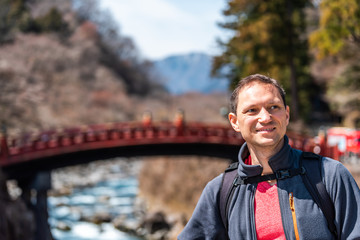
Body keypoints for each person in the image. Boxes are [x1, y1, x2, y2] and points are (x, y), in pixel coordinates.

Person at [178, 74, 360, 239]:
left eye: (274, 107)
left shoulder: (329, 176)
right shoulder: (221, 191)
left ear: (286, 115)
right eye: (252, 110)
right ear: (234, 122)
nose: (265, 117)